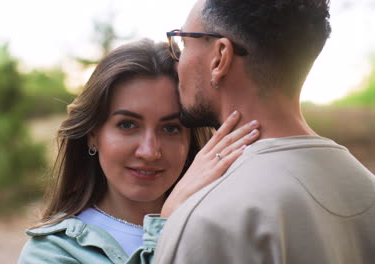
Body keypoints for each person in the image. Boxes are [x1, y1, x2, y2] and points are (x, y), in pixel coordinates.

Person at [154, 0, 375, 263]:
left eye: (183, 43)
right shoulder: (366, 187)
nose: (177, 64)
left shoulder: (209, 219)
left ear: (219, 57)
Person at [18, 39, 260, 264]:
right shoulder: (52, 252)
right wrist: (168, 227)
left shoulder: (224, 231)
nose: (149, 151)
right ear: (93, 135)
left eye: (170, 128)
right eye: (127, 125)